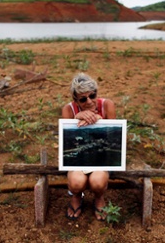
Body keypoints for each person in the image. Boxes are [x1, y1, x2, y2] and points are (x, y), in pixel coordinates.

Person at [61, 73, 116, 220]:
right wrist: (75, 119)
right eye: (83, 99)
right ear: (75, 100)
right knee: (76, 182)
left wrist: (99, 122)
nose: (90, 101)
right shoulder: (68, 110)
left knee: (97, 182)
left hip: (101, 156)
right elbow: (68, 142)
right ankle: (76, 196)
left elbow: (113, 138)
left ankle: (99, 197)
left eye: (93, 95)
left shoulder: (107, 105)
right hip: (78, 157)